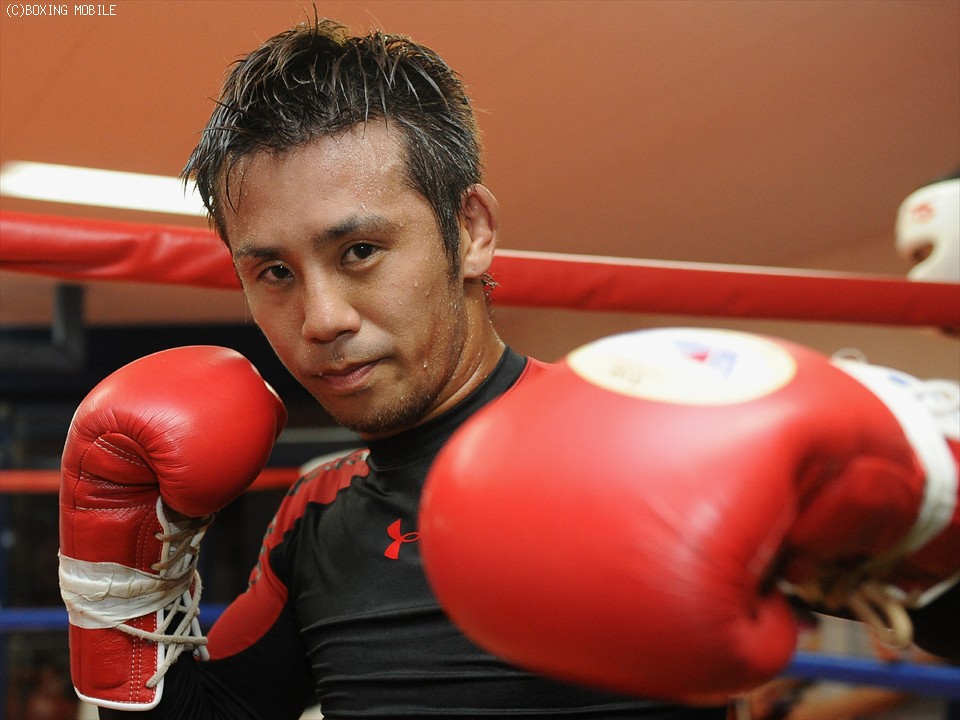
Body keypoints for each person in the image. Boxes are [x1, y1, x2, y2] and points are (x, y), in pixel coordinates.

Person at [65, 17, 730, 720]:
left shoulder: (651, 451)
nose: (321, 319)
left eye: (359, 251)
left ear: (470, 231)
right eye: (275, 271)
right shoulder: (318, 520)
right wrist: (118, 570)